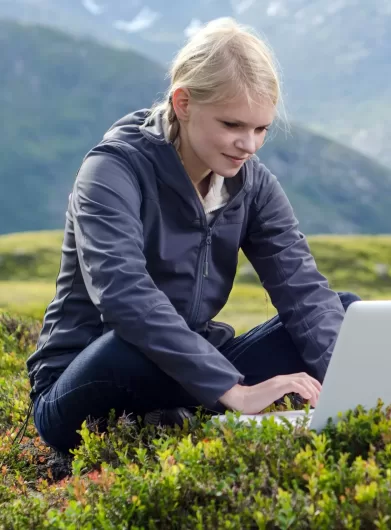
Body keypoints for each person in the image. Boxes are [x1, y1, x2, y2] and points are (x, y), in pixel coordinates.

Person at [24, 18, 360, 454]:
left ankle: (180, 413)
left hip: (192, 374)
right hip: (88, 381)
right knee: (130, 344)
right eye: (232, 125)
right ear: (183, 103)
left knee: (343, 313)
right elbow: (126, 297)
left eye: (261, 129)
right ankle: (199, 405)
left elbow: (302, 291)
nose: (249, 145)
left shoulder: (252, 185)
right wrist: (234, 390)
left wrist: (350, 389)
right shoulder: (111, 172)